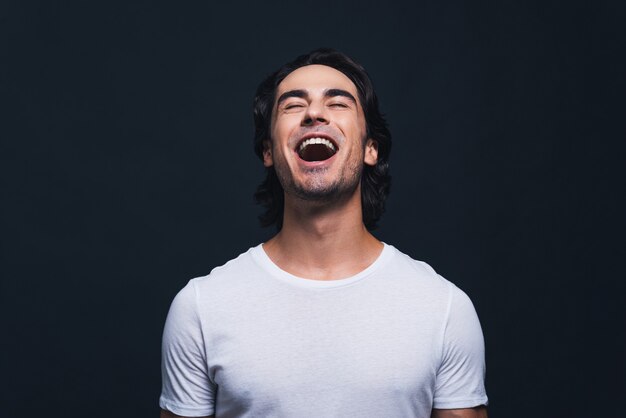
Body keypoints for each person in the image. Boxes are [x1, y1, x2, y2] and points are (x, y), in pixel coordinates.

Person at [159, 48, 488, 418]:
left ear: (370, 148)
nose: (314, 113)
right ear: (268, 150)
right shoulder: (201, 309)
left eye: (338, 103)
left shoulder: (444, 309)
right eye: (293, 105)